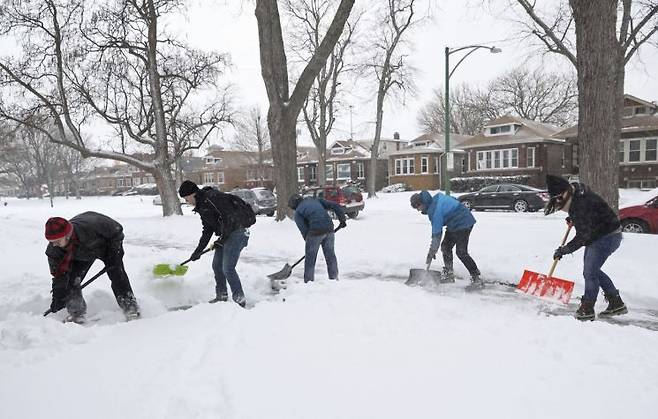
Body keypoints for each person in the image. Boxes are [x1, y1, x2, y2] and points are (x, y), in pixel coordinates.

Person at [544, 174, 627, 321]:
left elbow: (583, 236)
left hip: (606, 237)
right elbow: (589, 218)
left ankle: (587, 308)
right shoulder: (576, 197)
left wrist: (565, 250)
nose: (558, 204)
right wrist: (574, 219)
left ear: (564, 193)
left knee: (590, 273)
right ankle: (615, 302)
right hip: (601, 234)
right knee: (592, 271)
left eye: (558, 200)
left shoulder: (581, 203)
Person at [44, 213, 140, 323]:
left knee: (117, 274)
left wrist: (114, 252)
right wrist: (58, 298)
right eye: (51, 242)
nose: (54, 245)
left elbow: (117, 231)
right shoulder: (54, 250)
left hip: (106, 246)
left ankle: (131, 308)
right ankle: (77, 314)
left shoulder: (91, 227)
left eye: (57, 241)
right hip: (80, 254)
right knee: (71, 280)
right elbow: (59, 276)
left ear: (68, 235)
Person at [179, 180, 253, 307]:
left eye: (186, 198)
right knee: (217, 266)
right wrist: (198, 251)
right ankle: (222, 295)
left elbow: (230, 218)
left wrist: (222, 239)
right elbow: (207, 230)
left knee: (228, 268)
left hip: (238, 232)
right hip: (226, 234)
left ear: (192, 194)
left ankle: (239, 298)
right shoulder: (202, 206)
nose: (187, 202)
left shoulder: (213, 198)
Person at [410, 190, 483, 290]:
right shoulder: (436, 199)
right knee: (446, 247)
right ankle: (449, 274)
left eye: (417, 207)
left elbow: (437, 234)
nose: (418, 210)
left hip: (464, 222)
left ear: (422, 203)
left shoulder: (434, 211)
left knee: (461, 252)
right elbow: (453, 200)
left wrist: (431, 252)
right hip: (454, 223)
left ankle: (476, 277)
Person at [288, 193, 347, 283]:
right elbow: (334, 205)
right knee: (330, 256)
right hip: (329, 229)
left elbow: (304, 230)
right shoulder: (315, 200)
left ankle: (309, 282)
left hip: (315, 232)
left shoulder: (298, 213)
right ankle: (334, 279)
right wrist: (342, 219)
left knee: (310, 259)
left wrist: (309, 242)